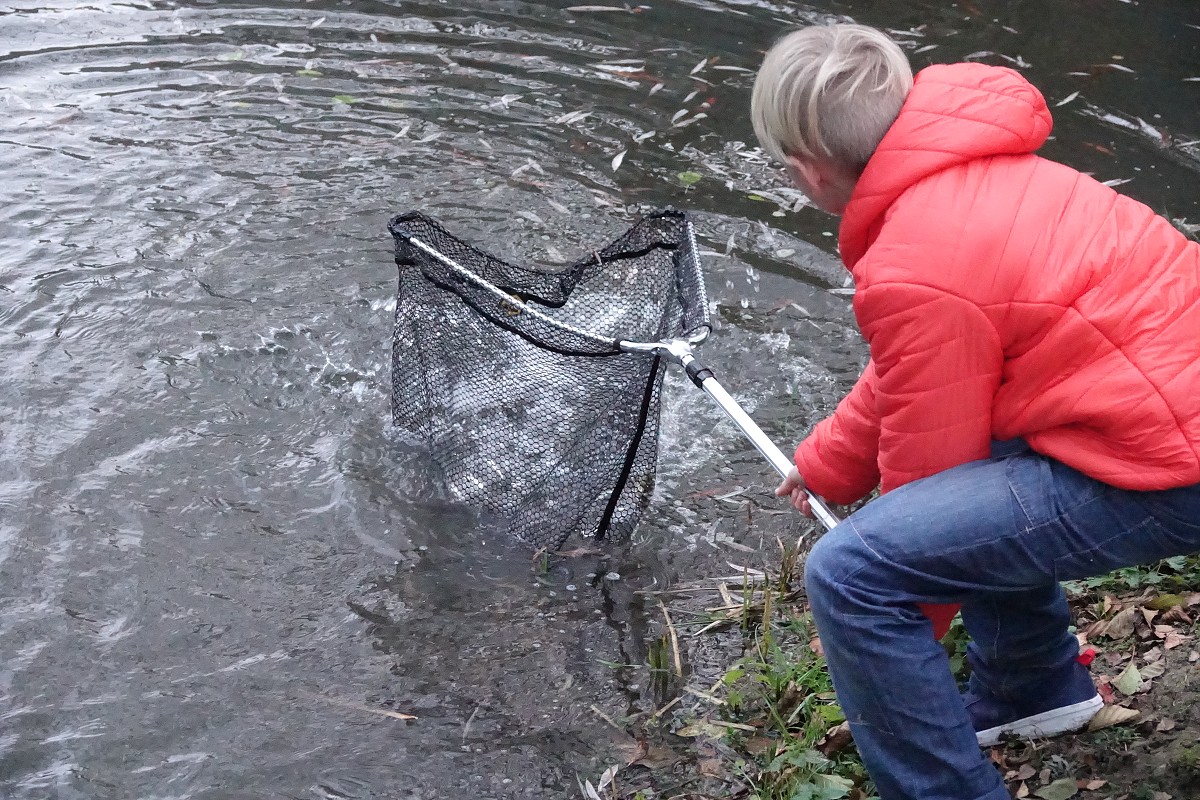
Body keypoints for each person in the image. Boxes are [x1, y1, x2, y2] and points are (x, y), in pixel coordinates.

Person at [753, 22, 1200, 800]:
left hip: (1173, 465)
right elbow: (917, 375)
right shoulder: (981, 168)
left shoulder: (912, 265)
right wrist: (828, 463)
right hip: (1166, 421)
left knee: (853, 574)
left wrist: (890, 634)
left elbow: (933, 478)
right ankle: (1034, 693)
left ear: (807, 173)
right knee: (983, 446)